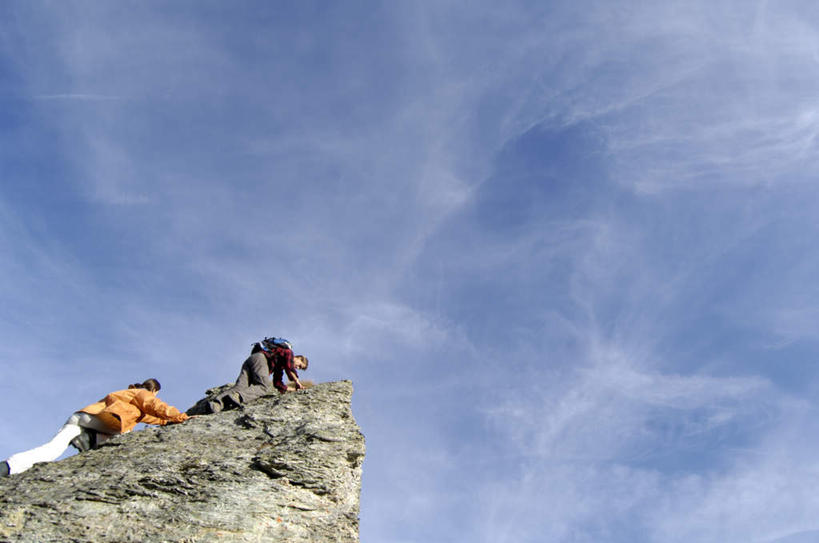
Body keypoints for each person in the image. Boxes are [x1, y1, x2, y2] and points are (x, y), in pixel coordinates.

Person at [0, 378, 189, 477]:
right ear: (154, 391)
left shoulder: (126, 393)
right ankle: (91, 440)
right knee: (125, 436)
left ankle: (8, 467)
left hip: (81, 417)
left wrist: (167, 421)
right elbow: (156, 408)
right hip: (104, 421)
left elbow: (152, 417)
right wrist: (181, 417)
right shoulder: (142, 393)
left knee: (51, 449)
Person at [207, 337, 309, 414]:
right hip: (261, 359)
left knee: (240, 386)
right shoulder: (289, 352)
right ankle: (238, 396)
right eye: (299, 365)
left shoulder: (280, 364)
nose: (297, 368)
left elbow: (277, 383)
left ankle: (216, 404)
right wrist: (297, 382)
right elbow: (289, 367)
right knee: (264, 386)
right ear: (298, 357)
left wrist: (293, 390)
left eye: (300, 368)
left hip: (252, 359)